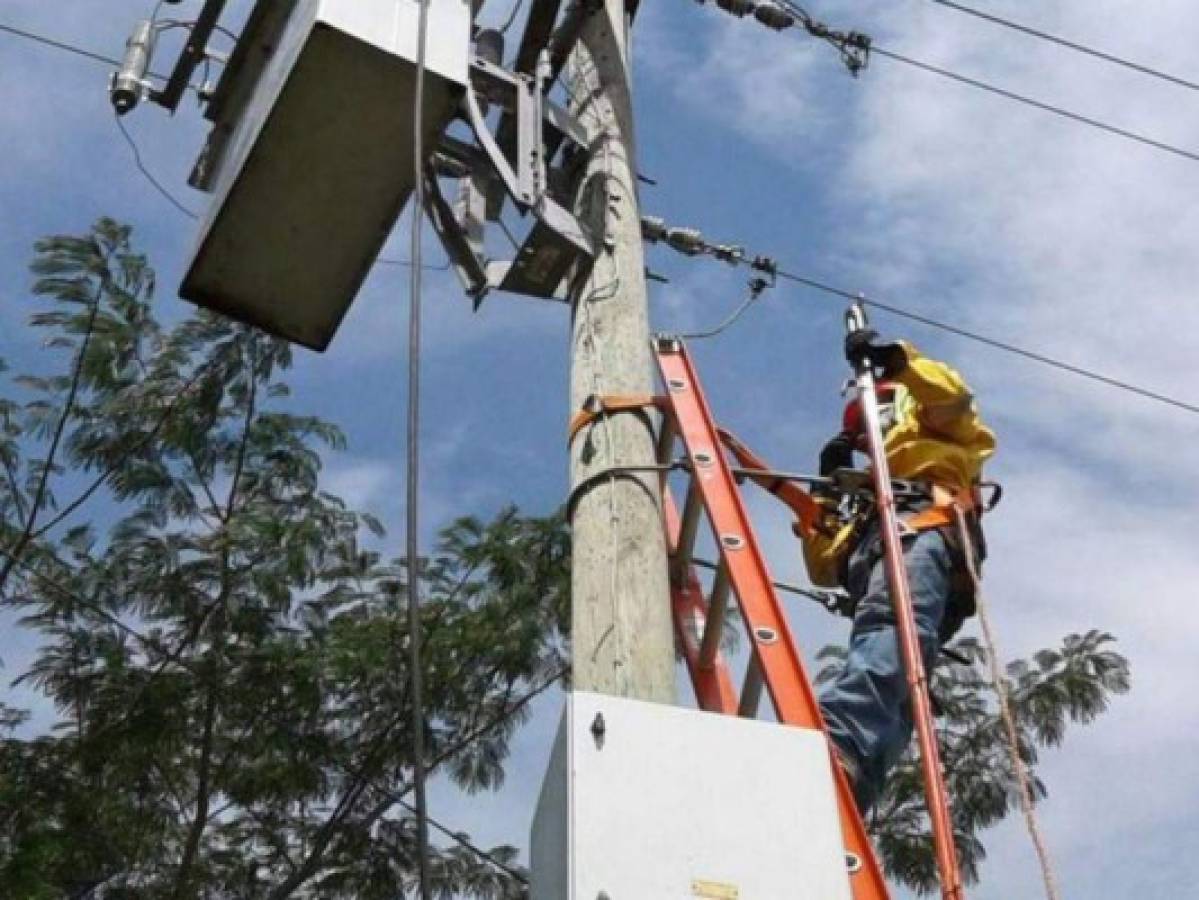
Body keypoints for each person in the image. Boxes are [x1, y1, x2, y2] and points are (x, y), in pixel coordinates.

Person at [801, 330, 997, 814]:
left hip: (920, 532)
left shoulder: (937, 432)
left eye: (878, 412)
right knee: (899, 673)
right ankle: (855, 776)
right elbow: (825, 568)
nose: (870, 429)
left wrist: (897, 363)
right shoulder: (868, 491)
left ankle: (839, 736)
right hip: (884, 545)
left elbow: (952, 397)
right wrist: (825, 498)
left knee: (891, 629)